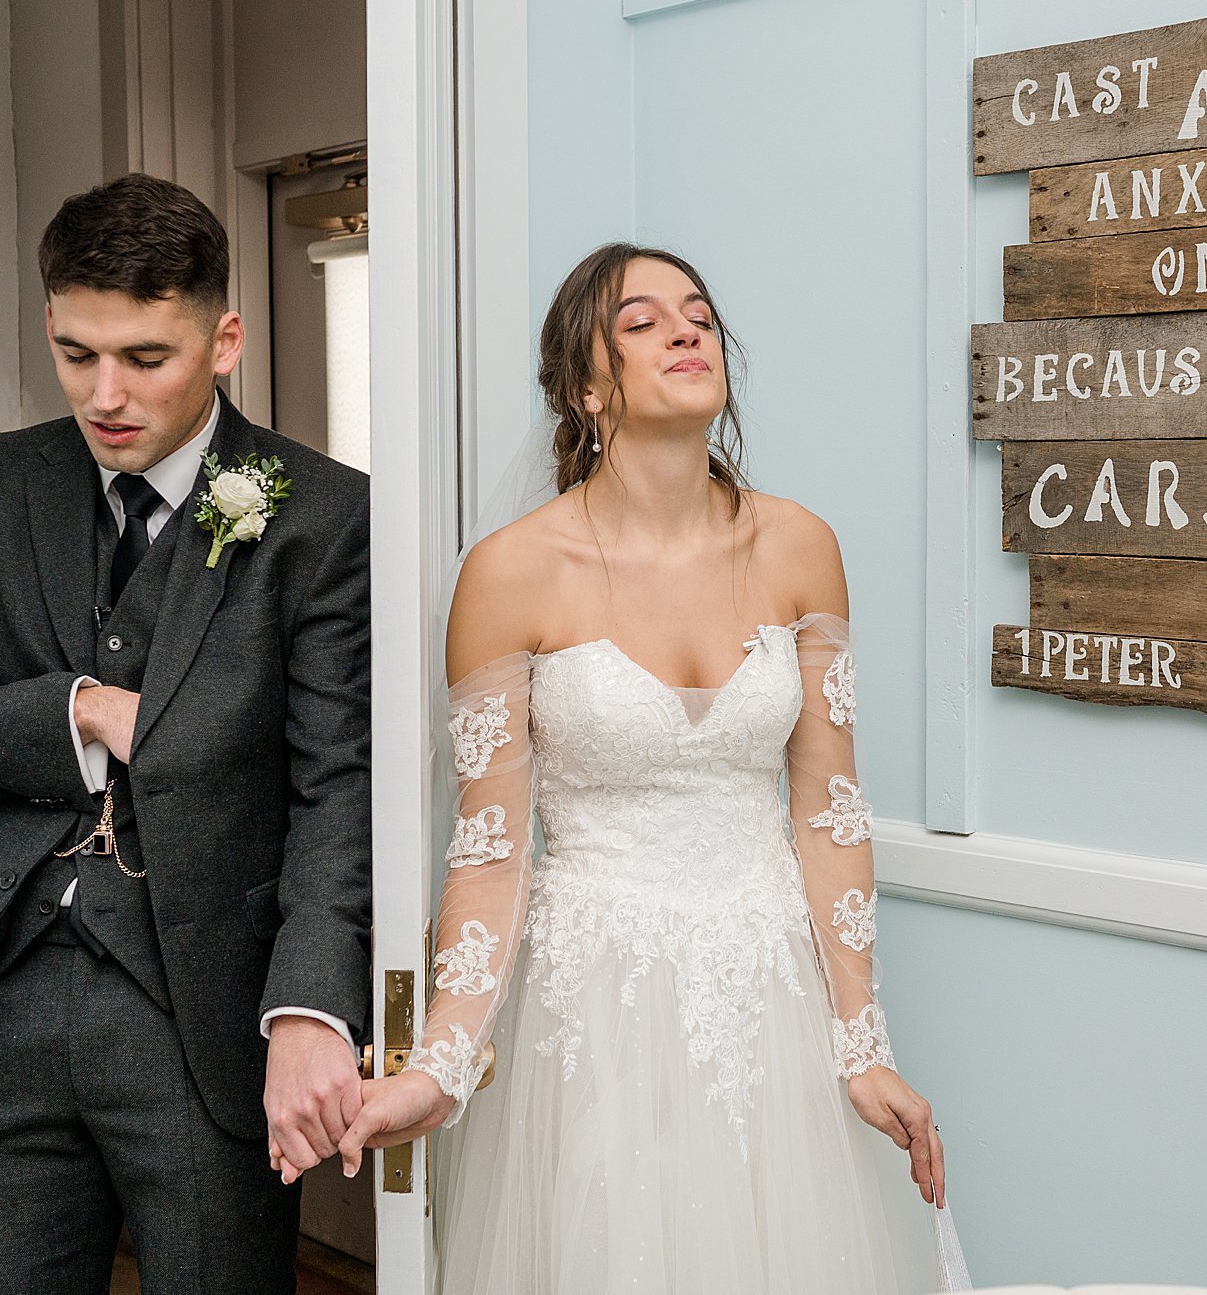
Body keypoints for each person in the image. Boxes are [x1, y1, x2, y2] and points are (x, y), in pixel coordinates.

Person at [336, 243, 945, 1292]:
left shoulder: (801, 546)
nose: (685, 330)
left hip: (770, 1004)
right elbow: (489, 852)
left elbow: (829, 815)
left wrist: (861, 1042)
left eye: (700, 313)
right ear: (583, 387)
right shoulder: (510, 573)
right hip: (589, 1017)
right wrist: (437, 1060)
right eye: (641, 320)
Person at [0, 174, 372, 1295]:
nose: (107, 393)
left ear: (224, 338)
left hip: (201, 1015)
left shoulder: (323, 517)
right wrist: (81, 711)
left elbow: (340, 790)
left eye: (147, 358)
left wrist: (307, 1008)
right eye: (76, 352)